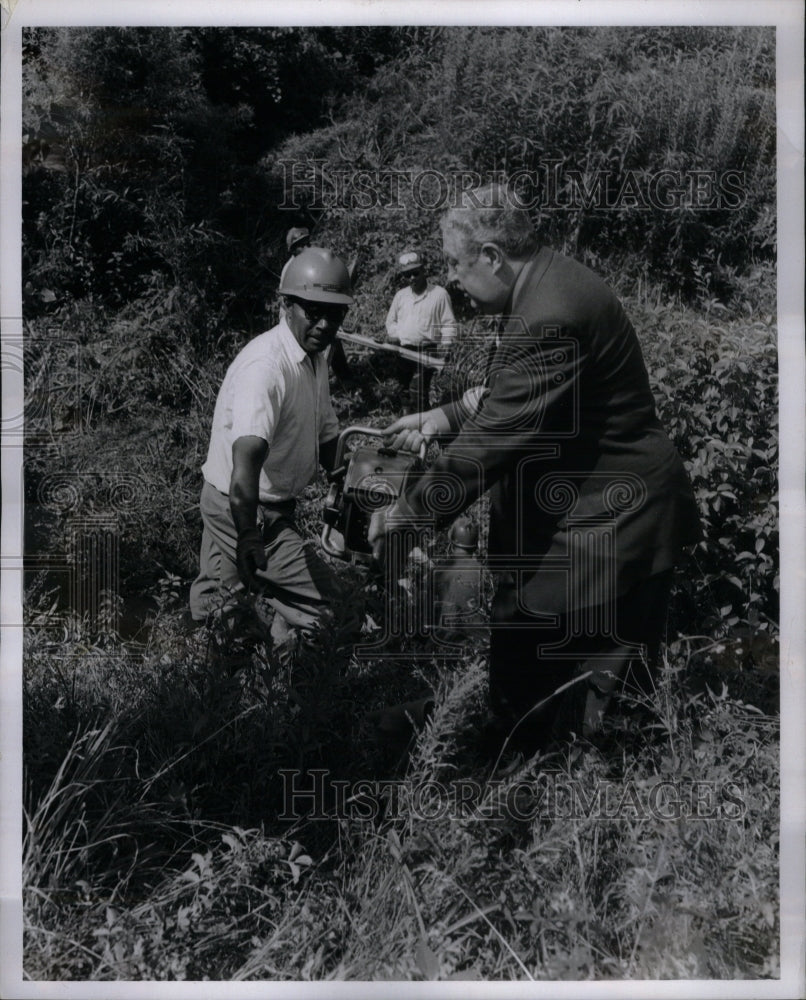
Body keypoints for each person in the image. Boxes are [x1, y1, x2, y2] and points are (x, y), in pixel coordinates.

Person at [370, 184, 701, 753]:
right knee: (547, 665)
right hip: (599, 511)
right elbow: (511, 394)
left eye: (457, 264)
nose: (451, 278)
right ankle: (524, 749)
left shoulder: (548, 313)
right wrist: (443, 416)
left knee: (610, 706)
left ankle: (541, 782)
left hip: (619, 521)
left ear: (494, 256)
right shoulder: (543, 285)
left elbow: (497, 435)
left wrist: (409, 511)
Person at [189, 247, 355, 645]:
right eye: (313, 312)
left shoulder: (314, 355)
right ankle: (219, 691)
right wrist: (248, 533)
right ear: (287, 306)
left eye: (335, 314)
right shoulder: (265, 369)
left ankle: (268, 681)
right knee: (336, 605)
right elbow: (245, 463)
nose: (324, 324)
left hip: (264, 504)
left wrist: (358, 483)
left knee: (224, 607)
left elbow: (328, 431)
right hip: (243, 507)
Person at [385, 249, 456, 412]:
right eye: (407, 275)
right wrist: (395, 335)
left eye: (415, 273)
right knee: (402, 387)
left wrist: (447, 345)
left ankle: (423, 424)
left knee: (418, 390)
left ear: (423, 271)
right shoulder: (401, 296)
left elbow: (448, 323)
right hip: (403, 349)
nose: (412, 278)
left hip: (427, 350)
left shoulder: (439, 294)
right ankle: (406, 421)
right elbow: (391, 321)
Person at [281, 227, 352, 380]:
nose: (305, 247)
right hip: (297, 322)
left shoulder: (317, 263)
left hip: (312, 322)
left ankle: (344, 378)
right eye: (300, 245)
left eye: (307, 243)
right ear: (292, 250)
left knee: (329, 344)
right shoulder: (291, 269)